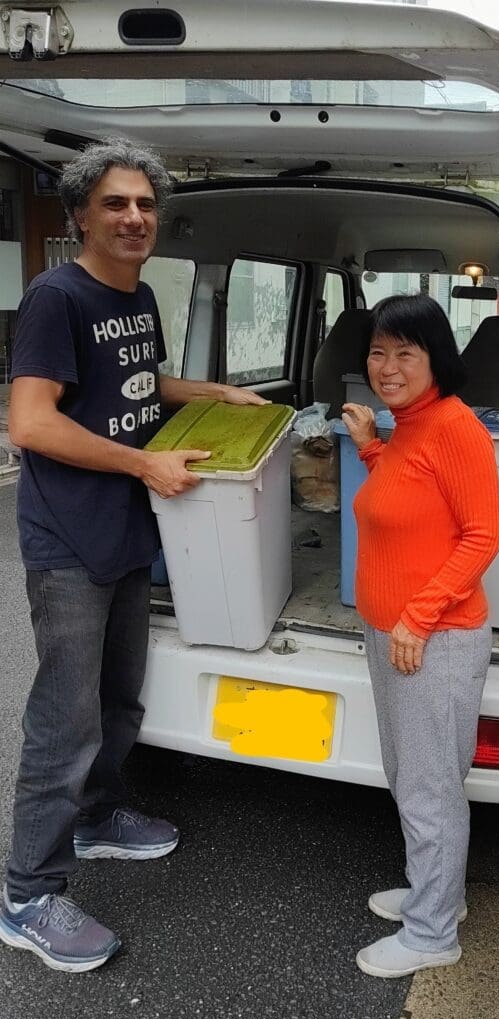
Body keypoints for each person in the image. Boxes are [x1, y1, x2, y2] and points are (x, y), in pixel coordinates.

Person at [0, 137, 267, 973]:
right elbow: (31, 423)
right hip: (69, 540)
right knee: (64, 717)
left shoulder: (138, 295)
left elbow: (141, 385)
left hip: (125, 533)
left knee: (119, 699)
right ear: (81, 215)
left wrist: (212, 391)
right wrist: (142, 462)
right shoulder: (57, 297)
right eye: (115, 204)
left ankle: (100, 814)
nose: (133, 217)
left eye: (145, 204)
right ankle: (26, 894)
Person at [341, 294, 499, 978]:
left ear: (437, 357)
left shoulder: (454, 427)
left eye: (405, 352)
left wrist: (418, 615)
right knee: (411, 776)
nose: (388, 366)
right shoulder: (408, 425)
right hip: (395, 633)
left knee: (429, 787)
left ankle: (433, 933)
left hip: (431, 639)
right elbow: (411, 500)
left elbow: (482, 535)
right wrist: (371, 448)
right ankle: (434, 895)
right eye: (378, 352)